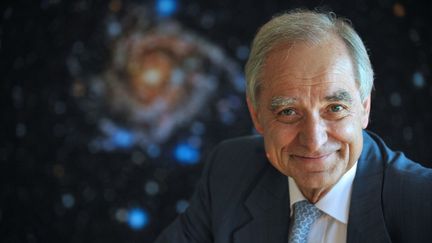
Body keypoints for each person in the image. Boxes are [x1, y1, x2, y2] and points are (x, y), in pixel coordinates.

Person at [155, 9, 432, 243]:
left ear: (364, 107)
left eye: (335, 108)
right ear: (256, 115)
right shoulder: (229, 170)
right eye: (288, 112)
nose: (314, 140)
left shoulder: (422, 203)